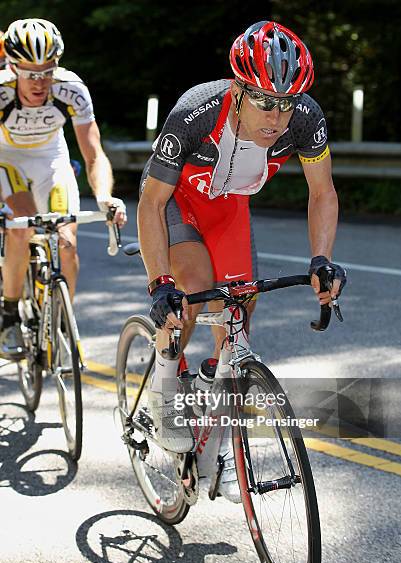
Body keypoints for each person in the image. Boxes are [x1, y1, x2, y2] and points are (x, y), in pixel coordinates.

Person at [137, 20, 346, 500]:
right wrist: (158, 282)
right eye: (265, 102)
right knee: (190, 290)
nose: (277, 117)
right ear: (238, 90)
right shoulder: (195, 112)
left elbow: (323, 193)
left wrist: (322, 259)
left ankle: (220, 431)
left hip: (228, 206)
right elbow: (150, 204)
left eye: (287, 103)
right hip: (176, 202)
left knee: (240, 307)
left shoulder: (305, 120)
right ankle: (166, 394)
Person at [0, 18, 126, 358]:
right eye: (30, 72)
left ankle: (59, 321)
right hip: (7, 159)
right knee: (20, 229)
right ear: (13, 67)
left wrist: (103, 196)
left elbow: (94, 153)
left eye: (47, 70)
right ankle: (9, 315)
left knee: (67, 243)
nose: (39, 81)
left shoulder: (71, 88)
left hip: (51, 158)